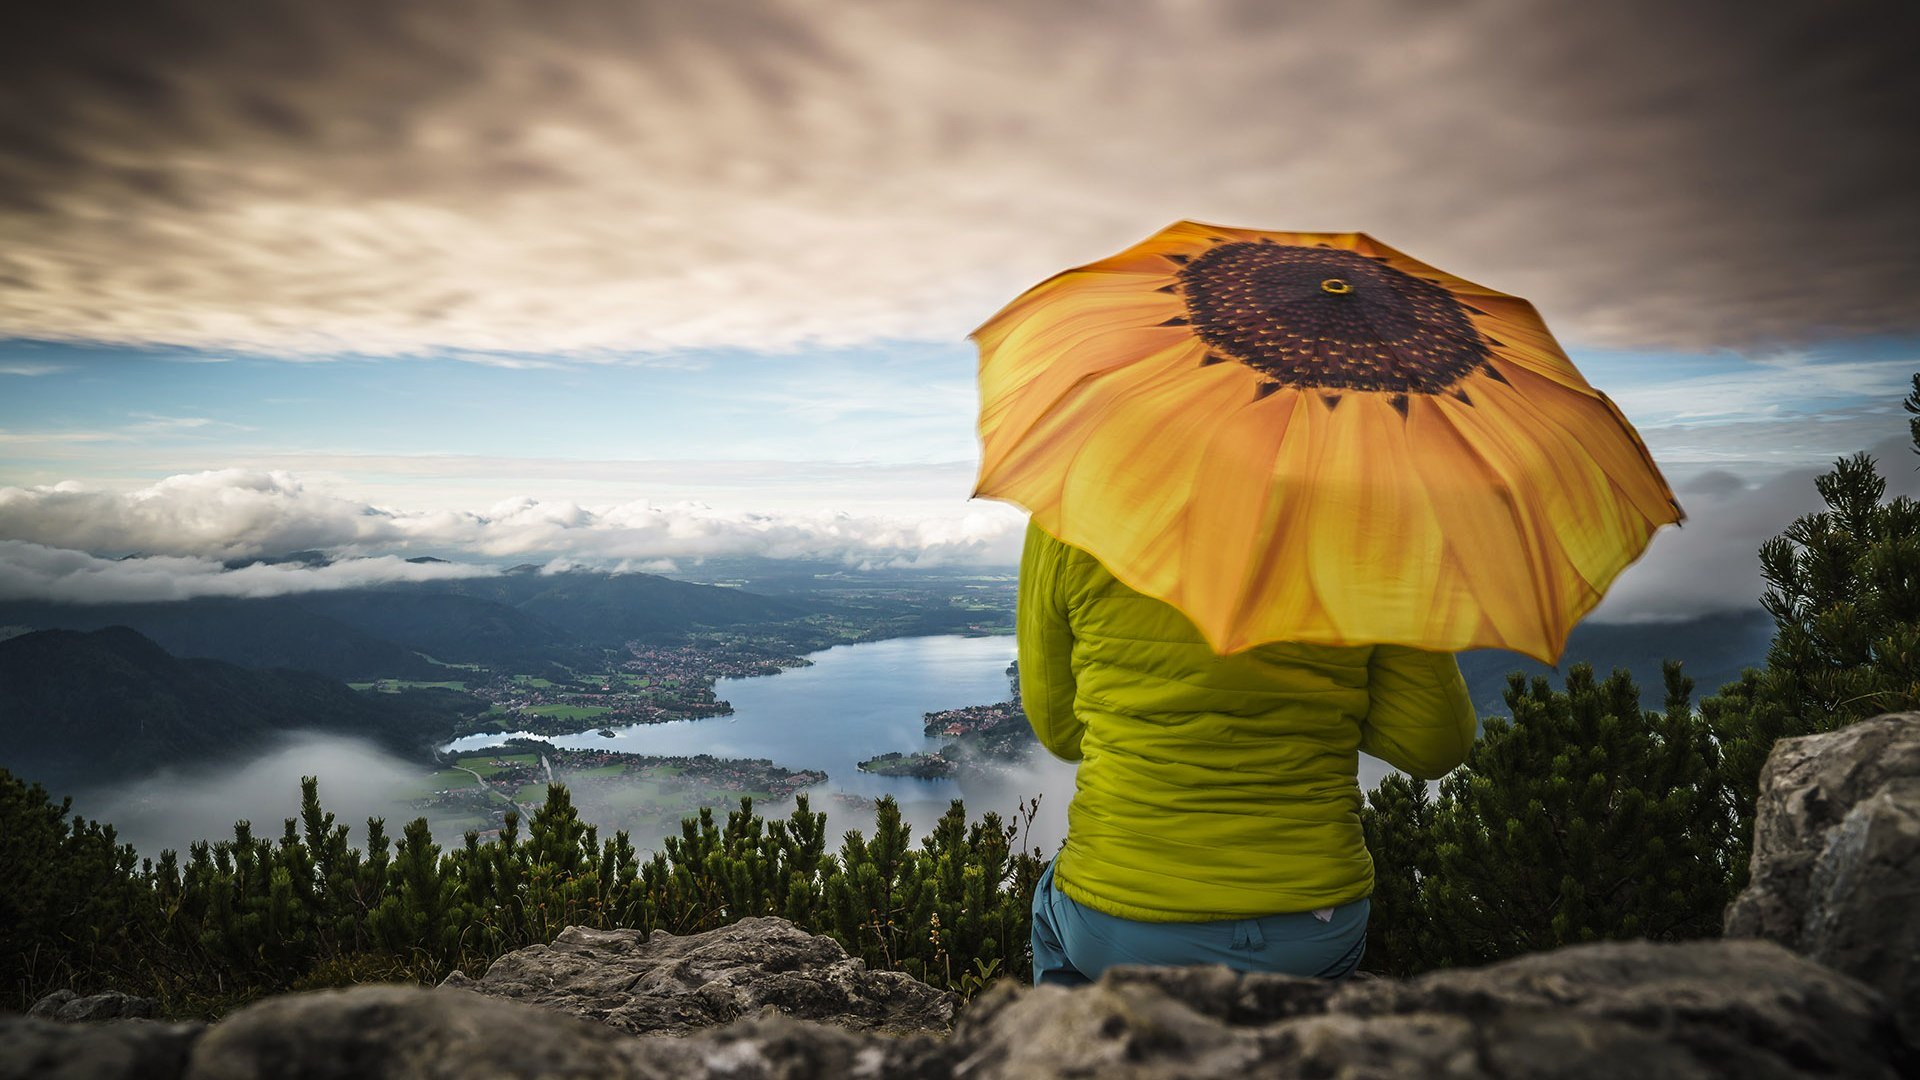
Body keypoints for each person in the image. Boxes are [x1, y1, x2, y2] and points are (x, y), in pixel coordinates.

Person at [1020, 519, 1477, 985]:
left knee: (1050, 913)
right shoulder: (1369, 521)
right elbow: (1434, 746)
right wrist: (1326, 707)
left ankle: (1071, 1052)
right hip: (1314, 925)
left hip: (1121, 931)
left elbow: (1062, 733)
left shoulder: (1072, 510)